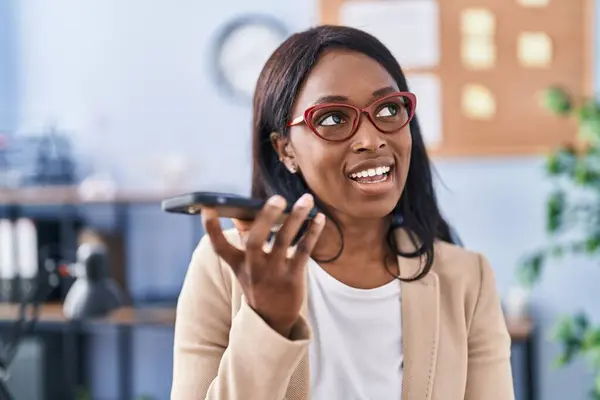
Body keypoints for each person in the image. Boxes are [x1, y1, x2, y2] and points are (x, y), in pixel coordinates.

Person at [171, 25, 515, 400]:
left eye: (388, 109)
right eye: (333, 118)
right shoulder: (224, 269)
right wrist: (267, 323)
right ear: (285, 150)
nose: (371, 139)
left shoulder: (467, 279)